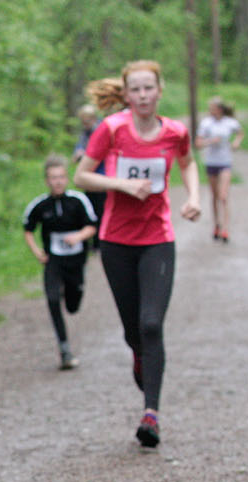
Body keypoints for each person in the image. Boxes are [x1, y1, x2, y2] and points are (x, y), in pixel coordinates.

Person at [74, 60, 201, 448]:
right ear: (126, 94)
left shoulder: (175, 132)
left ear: (160, 91)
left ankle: (151, 415)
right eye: (136, 89)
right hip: (116, 242)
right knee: (134, 332)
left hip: (157, 239)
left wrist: (194, 197)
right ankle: (140, 356)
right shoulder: (112, 129)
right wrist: (121, 185)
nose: (143, 96)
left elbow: (188, 163)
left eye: (149, 88)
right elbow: (82, 176)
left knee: (151, 324)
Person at [23, 155, 99, 370]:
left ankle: (71, 293)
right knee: (52, 299)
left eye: (61, 177)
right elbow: (28, 230)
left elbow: (92, 227)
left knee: (73, 305)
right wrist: (37, 252)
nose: (57, 182)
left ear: (67, 179)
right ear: (47, 181)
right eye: (53, 178)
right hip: (53, 261)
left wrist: (78, 237)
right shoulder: (40, 205)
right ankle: (64, 349)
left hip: (76, 261)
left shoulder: (78, 201)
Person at [195, 96, 244, 242]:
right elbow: (198, 144)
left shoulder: (230, 122)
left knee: (223, 196)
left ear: (220, 109)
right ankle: (217, 224)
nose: (210, 111)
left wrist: (236, 142)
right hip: (211, 162)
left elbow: (240, 132)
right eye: (210, 108)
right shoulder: (206, 123)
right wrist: (210, 141)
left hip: (225, 162)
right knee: (215, 196)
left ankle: (225, 228)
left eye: (213, 108)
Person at [72, 104, 107, 246]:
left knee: (103, 211)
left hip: (103, 178)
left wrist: (85, 154)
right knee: (91, 211)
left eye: (87, 121)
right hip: (88, 180)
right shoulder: (84, 135)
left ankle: (102, 241)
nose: (85, 125)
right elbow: (76, 154)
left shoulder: (102, 131)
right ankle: (95, 243)